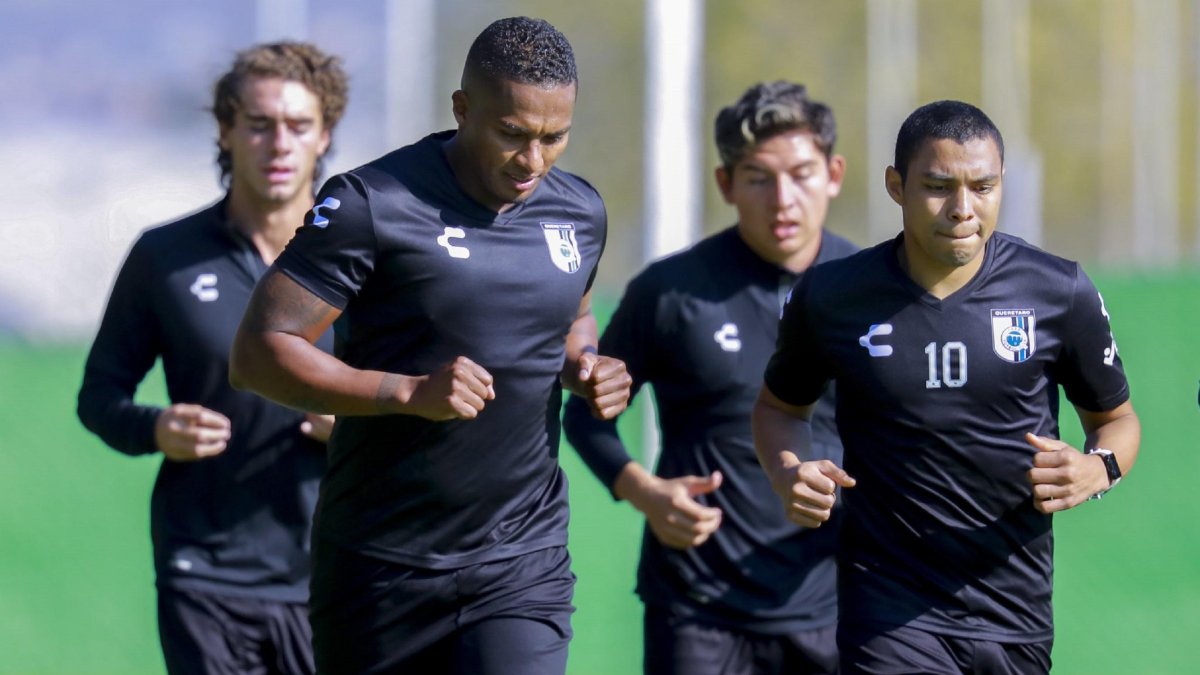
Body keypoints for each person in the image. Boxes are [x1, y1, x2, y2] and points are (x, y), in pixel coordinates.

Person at [227, 16, 631, 675]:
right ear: (463, 109)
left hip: (520, 561)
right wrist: (406, 391)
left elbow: (569, 318)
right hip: (380, 565)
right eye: (512, 134)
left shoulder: (579, 212)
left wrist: (583, 363)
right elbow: (257, 353)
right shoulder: (371, 204)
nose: (533, 160)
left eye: (553, 137)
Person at [753, 99, 1141, 674]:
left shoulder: (1058, 290)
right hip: (888, 609)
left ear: (1002, 183)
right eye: (938, 186)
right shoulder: (832, 296)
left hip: (1014, 612)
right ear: (896, 185)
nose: (963, 209)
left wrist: (1098, 468)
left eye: (982, 187)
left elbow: (1117, 420)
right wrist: (789, 472)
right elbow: (778, 409)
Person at [563, 81, 854, 675]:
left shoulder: (873, 292)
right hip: (697, 609)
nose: (783, 200)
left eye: (801, 174)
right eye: (758, 177)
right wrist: (645, 493)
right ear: (725, 184)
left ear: (834, 174)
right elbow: (585, 416)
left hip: (838, 605)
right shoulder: (669, 292)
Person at [77, 42, 349, 674]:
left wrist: (356, 427)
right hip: (205, 574)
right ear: (226, 132)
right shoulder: (164, 257)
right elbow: (98, 396)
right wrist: (155, 428)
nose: (278, 144)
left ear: (324, 134)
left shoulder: (365, 261)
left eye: (298, 126)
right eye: (259, 125)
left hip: (338, 570)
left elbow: (420, 397)